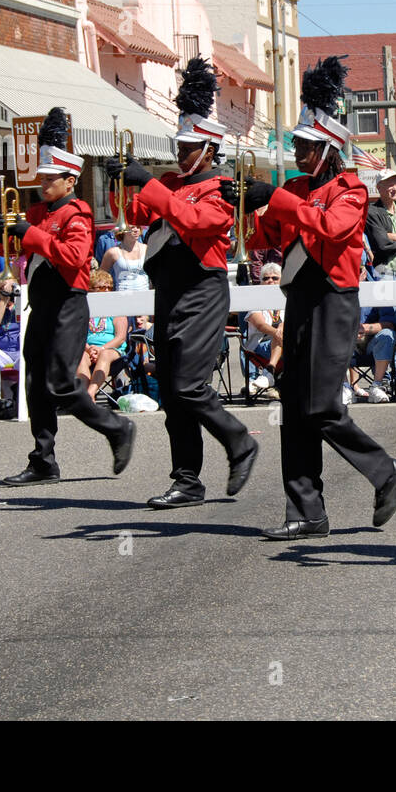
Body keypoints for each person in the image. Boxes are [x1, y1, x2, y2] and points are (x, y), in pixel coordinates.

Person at [226, 55, 396, 540]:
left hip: (334, 301)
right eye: (298, 145)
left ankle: (384, 470)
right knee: (293, 403)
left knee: (323, 405)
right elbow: (265, 230)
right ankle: (306, 510)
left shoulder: (350, 189)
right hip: (300, 300)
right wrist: (244, 200)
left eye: (307, 146)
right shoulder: (298, 186)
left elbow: (332, 229)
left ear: (328, 149)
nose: (299, 152)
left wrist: (281, 198)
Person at [111, 57, 257, 508]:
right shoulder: (172, 181)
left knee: (191, 386)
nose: (179, 154)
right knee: (174, 392)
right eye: (179, 146)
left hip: (202, 290)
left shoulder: (223, 189)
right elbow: (134, 216)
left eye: (188, 148)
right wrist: (127, 182)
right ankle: (187, 480)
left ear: (210, 150)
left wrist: (152, 186)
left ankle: (240, 442)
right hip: (169, 291)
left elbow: (195, 222)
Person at [0, 107, 136, 486]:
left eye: (50, 178)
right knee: (36, 382)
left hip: (68, 304)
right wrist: (2, 230)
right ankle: (43, 460)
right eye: (41, 177)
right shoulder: (39, 210)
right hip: (40, 302)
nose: (42, 183)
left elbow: (74, 257)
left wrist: (31, 232)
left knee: (60, 382)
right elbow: (11, 248)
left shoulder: (79, 212)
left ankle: (116, 428)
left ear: (70, 180)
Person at [78, 269, 127, 401]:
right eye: (102, 287)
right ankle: (83, 394)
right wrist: (89, 349)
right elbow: (78, 334)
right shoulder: (83, 308)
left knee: (104, 355)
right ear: (91, 289)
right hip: (87, 348)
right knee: (81, 356)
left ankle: (90, 393)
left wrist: (101, 349)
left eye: (109, 287)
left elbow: (121, 337)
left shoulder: (116, 307)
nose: (106, 291)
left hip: (112, 350)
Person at [244, 263, 284, 396]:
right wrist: (277, 332)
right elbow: (260, 324)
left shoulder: (287, 299)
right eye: (266, 279)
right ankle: (270, 371)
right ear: (261, 282)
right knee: (279, 336)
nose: (270, 281)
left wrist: (282, 327)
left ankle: (269, 375)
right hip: (261, 344)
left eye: (275, 278)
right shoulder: (255, 300)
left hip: (285, 341)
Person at [365, 168, 396, 275]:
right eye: (389, 185)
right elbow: (382, 245)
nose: (395, 188)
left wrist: (395, 237)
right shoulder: (371, 212)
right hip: (383, 275)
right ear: (379, 187)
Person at [100, 225, 149, 292]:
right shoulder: (113, 252)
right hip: (122, 296)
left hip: (145, 295)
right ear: (122, 231)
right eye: (132, 228)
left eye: (138, 227)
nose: (136, 230)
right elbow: (100, 277)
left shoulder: (147, 249)